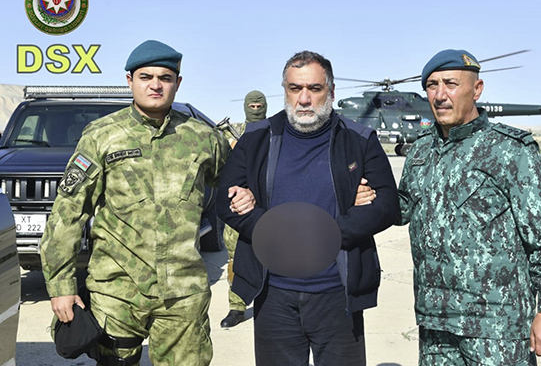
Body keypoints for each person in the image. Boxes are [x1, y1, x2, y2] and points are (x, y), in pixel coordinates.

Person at [40, 40, 231, 366]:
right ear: (130, 81)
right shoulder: (102, 136)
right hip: (117, 293)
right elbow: (68, 213)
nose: (155, 85)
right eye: (146, 77)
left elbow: (237, 188)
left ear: (177, 83)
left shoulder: (204, 138)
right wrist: (61, 286)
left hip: (182, 297)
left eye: (165, 78)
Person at [215, 50, 400, 366]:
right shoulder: (258, 138)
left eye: (314, 89)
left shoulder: (359, 139)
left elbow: (387, 204)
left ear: (330, 91)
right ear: (284, 90)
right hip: (273, 295)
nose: (303, 99)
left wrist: (327, 233)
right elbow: (224, 199)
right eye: (294, 88)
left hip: (337, 294)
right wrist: (268, 226)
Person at [396, 49, 541, 365]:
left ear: (476, 89)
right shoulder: (421, 151)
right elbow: (402, 208)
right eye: (432, 86)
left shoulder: (510, 151)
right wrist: (360, 190)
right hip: (435, 324)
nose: (440, 95)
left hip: (496, 329)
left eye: (450, 83)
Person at [217, 89, 268, 328]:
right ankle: (236, 308)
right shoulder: (231, 130)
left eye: (259, 106)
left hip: (267, 201)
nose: (255, 110)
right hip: (238, 203)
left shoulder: (276, 129)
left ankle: (268, 303)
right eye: (252, 106)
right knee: (235, 257)